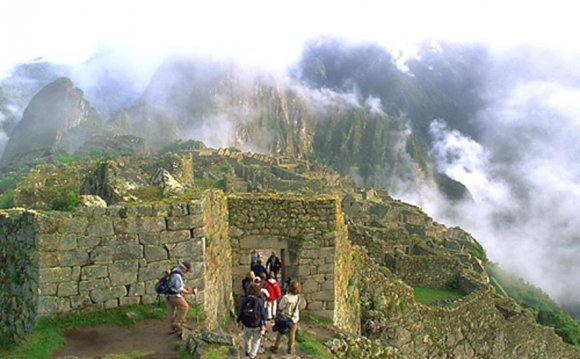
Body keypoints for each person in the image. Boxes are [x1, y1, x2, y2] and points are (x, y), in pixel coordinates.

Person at [270, 280, 304, 355]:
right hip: (294, 318)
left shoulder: (286, 297)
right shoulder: (298, 297)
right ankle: (290, 349)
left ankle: (275, 347)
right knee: (292, 334)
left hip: (285, 318)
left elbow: (280, 306)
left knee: (280, 333)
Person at [237, 283, 267, 359]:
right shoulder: (260, 300)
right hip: (257, 324)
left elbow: (240, 311)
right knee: (256, 340)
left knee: (246, 338)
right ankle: (252, 355)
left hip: (246, 323)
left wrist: (238, 320)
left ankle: (247, 350)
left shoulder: (244, 300)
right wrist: (264, 322)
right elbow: (263, 313)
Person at [166, 260, 197, 335]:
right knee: (184, 307)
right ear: (184, 268)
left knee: (171, 312)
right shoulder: (177, 276)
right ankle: (177, 324)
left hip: (168, 295)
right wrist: (191, 292)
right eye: (186, 270)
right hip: (174, 295)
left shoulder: (174, 270)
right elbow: (179, 289)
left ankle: (172, 328)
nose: (186, 272)